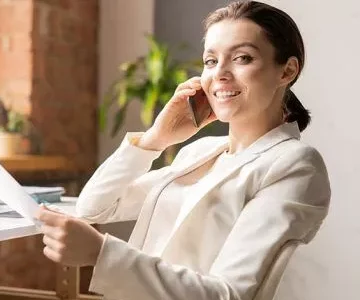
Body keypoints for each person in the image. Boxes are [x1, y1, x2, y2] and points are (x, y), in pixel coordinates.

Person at [34, 1, 331, 300]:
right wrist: (154, 140)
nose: (220, 74)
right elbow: (94, 208)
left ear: (287, 71)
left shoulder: (295, 164)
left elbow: (227, 294)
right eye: (211, 61)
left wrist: (101, 253)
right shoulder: (201, 152)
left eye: (242, 58)